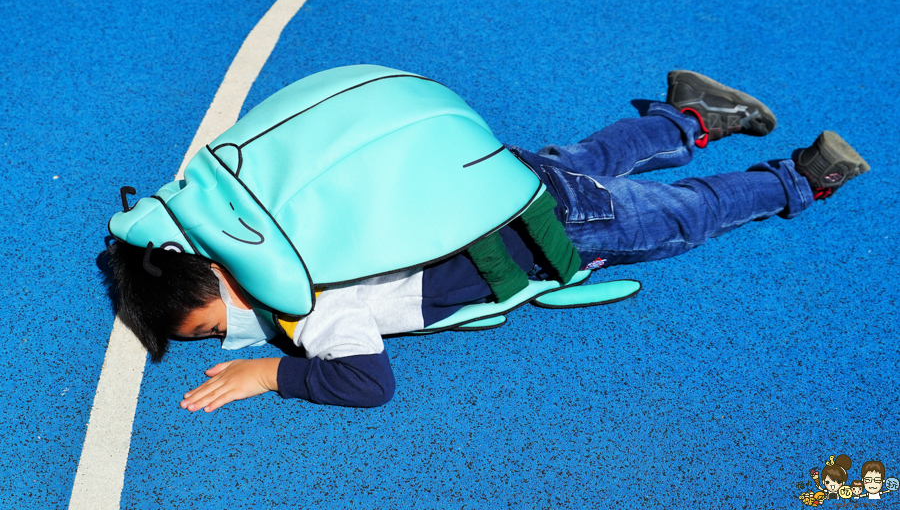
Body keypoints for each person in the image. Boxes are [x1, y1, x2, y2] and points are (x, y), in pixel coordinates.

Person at [106, 70, 870, 411]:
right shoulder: (269, 214)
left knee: (676, 218)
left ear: (229, 280)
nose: (226, 341)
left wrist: (270, 375)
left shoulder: (309, 312)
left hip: (546, 234)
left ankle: (801, 178)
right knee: (587, 159)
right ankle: (689, 116)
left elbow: (369, 386)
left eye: (212, 327)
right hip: (491, 183)